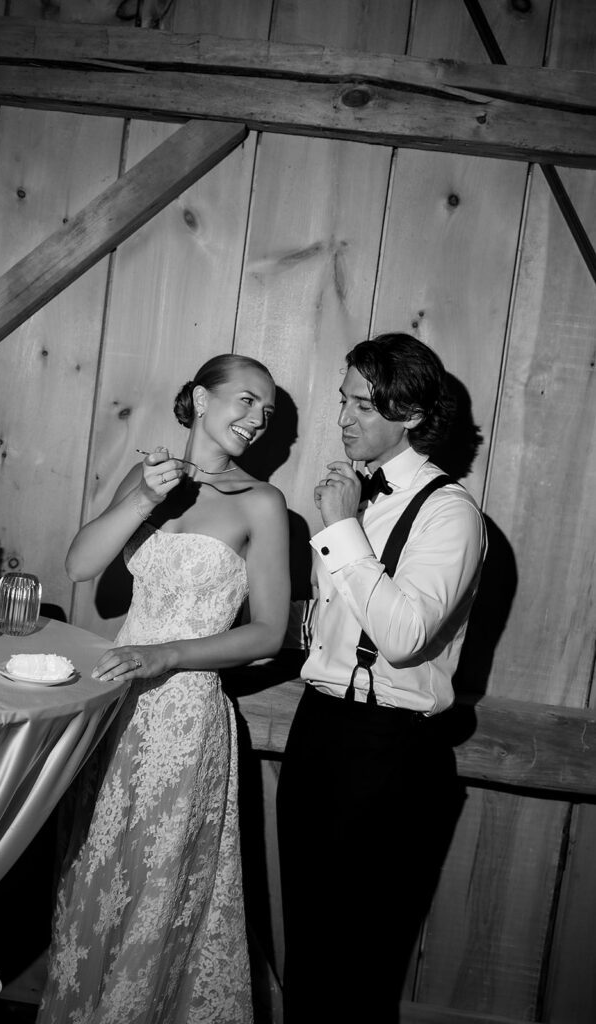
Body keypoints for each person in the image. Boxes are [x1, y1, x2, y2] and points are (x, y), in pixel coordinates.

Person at [37, 354, 290, 1024]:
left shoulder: (261, 503)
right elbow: (81, 565)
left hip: (184, 718)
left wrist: (168, 653)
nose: (256, 420)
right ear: (200, 399)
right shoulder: (147, 478)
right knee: (95, 872)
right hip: (112, 710)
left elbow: (269, 632)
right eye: (244, 401)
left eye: (266, 413)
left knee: (156, 890)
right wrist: (146, 497)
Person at [276, 333, 486, 1024]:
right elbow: (332, 626)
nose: (343, 418)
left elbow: (402, 637)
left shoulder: (450, 513)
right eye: (343, 400)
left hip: (387, 748)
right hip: (320, 728)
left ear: (412, 415)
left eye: (362, 405)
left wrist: (339, 531)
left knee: (359, 960)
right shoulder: (357, 495)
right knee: (306, 944)